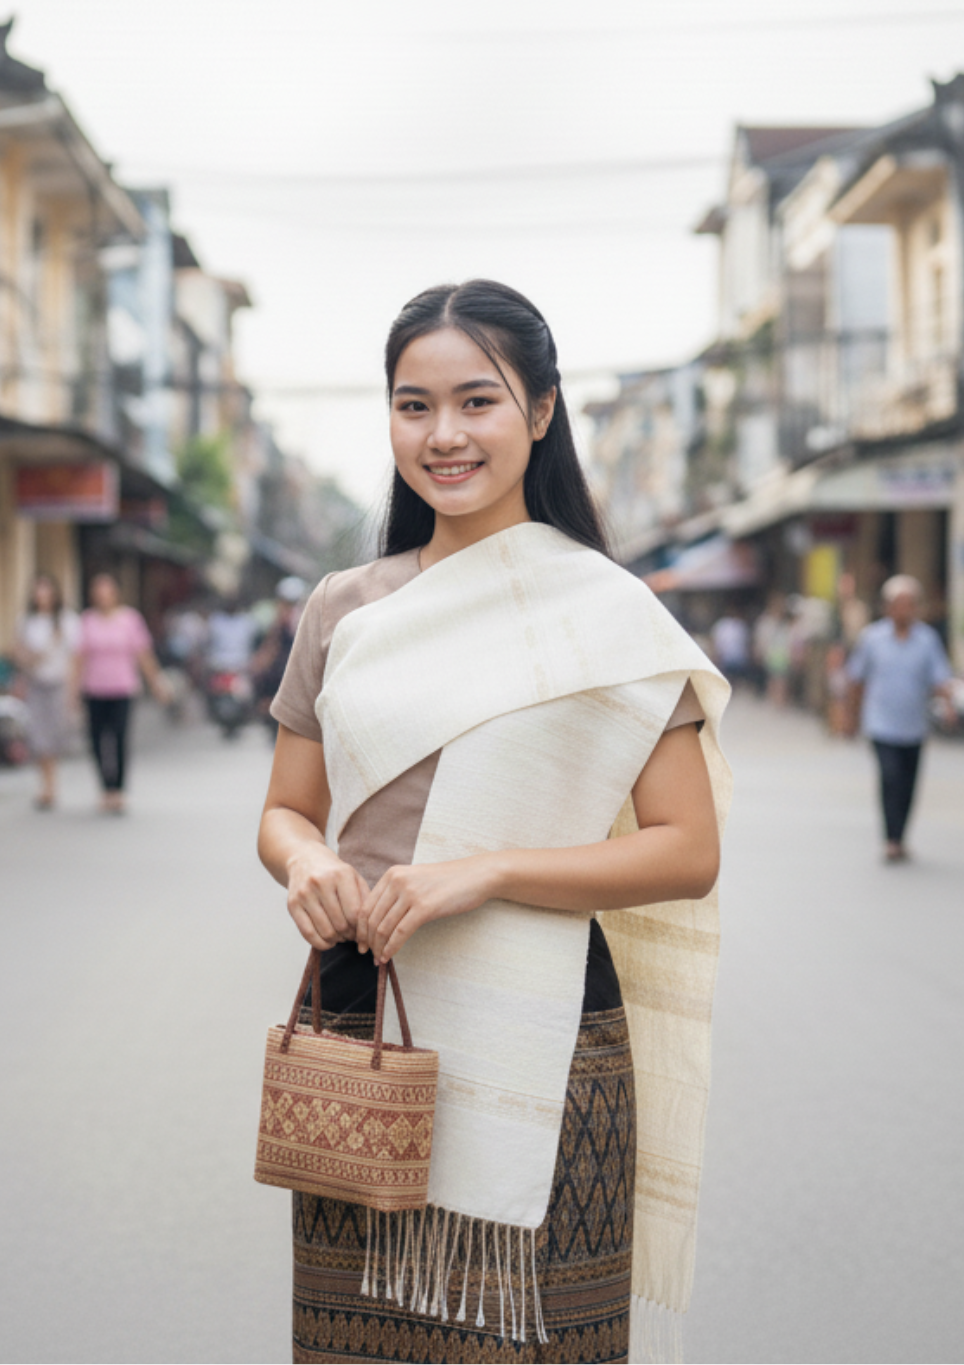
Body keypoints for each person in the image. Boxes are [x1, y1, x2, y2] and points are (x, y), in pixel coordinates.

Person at [257, 280, 729, 1360]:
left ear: (541, 411)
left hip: (548, 1034)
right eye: (412, 405)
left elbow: (687, 850)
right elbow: (285, 811)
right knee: (357, 1338)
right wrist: (306, 862)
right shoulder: (345, 606)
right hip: (361, 1015)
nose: (444, 434)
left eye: (477, 401)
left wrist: (486, 872)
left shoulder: (604, 615)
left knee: (534, 1338)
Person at [845, 575, 953, 863]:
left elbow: (941, 677)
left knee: (907, 784)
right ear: (887, 607)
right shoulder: (872, 638)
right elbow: (856, 680)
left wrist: (949, 704)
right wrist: (850, 716)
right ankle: (891, 838)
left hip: (914, 725)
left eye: (909, 605)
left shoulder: (927, 640)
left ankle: (901, 835)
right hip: (880, 723)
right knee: (890, 777)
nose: (903, 610)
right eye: (898, 604)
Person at [72, 572, 171, 815]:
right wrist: (72, 692)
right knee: (96, 739)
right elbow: (78, 659)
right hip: (94, 689)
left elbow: (143, 655)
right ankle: (104, 787)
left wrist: (157, 683)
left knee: (118, 738)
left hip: (122, 688)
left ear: (116, 593)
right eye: (98, 591)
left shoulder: (130, 619)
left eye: (107, 590)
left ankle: (118, 788)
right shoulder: (87, 620)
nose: (103, 596)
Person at [16, 574, 78, 811]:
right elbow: (17, 649)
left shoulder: (66, 620)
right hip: (35, 683)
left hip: (58, 683)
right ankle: (46, 786)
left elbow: (75, 658)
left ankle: (52, 783)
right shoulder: (26, 620)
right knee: (37, 735)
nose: (41, 595)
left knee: (54, 734)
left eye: (45, 589)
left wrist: (74, 693)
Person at [250, 576, 305, 734]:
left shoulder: (289, 617)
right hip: (289, 668)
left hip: (286, 668)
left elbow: (272, 644)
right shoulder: (294, 615)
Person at [710, 610, 751, 681]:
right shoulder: (721, 625)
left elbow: (746, 644)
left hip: (739, 661)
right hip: (724, 660)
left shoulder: (741, 625)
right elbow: (714, 642)